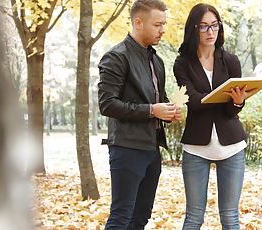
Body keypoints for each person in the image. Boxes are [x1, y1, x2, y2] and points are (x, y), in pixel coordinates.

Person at [98, 0, 182, 229]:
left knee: (141, 217)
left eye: (164, 24)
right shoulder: (116, 57)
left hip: (152, 149)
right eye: (157, 24)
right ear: (138, 22)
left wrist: (168, 110)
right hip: (126, 148)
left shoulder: (157, 60)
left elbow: (156, 100)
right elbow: (107, 104)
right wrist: (152, 111)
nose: (162, 29)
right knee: (121, 217)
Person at [173, 3, 257, 229]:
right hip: (196, 147)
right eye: (203, 27)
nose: (210, 32)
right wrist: (221, 97)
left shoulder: (230, 61)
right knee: (193, 217)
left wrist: (238, 101)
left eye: (214, 25)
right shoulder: (182, 63)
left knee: (230, 217)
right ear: (193, 29)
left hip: (232, 146)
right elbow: (193, 101)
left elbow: (231, 111)